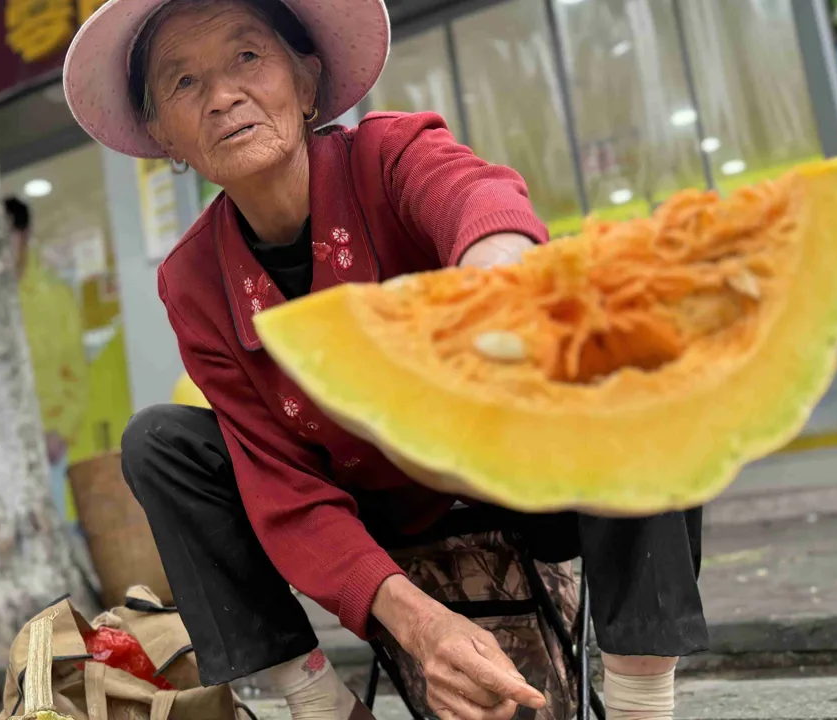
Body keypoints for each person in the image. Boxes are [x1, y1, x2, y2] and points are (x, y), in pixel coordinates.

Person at [63, 1, 706, 719]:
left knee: (635, 339)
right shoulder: (191, 280)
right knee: (161, 443)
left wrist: (497, 267)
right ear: (165, 137)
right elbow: (283, 490)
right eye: (183, 83)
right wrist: (418, 622)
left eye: (247, 58)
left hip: (518, 476)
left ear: (306, 82)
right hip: (376, 514)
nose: (222, 97)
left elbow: (475, 196)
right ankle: (316, 704)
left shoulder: (388, 155)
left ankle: (641, 702)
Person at [6, 197, 89, 520]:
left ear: (24, 234)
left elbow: (76, 372)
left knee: (52, 533)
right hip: (1, 446)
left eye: (7, 234)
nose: (0, 245)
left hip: (47, 443)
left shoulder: (54, 297)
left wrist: (62, 431)